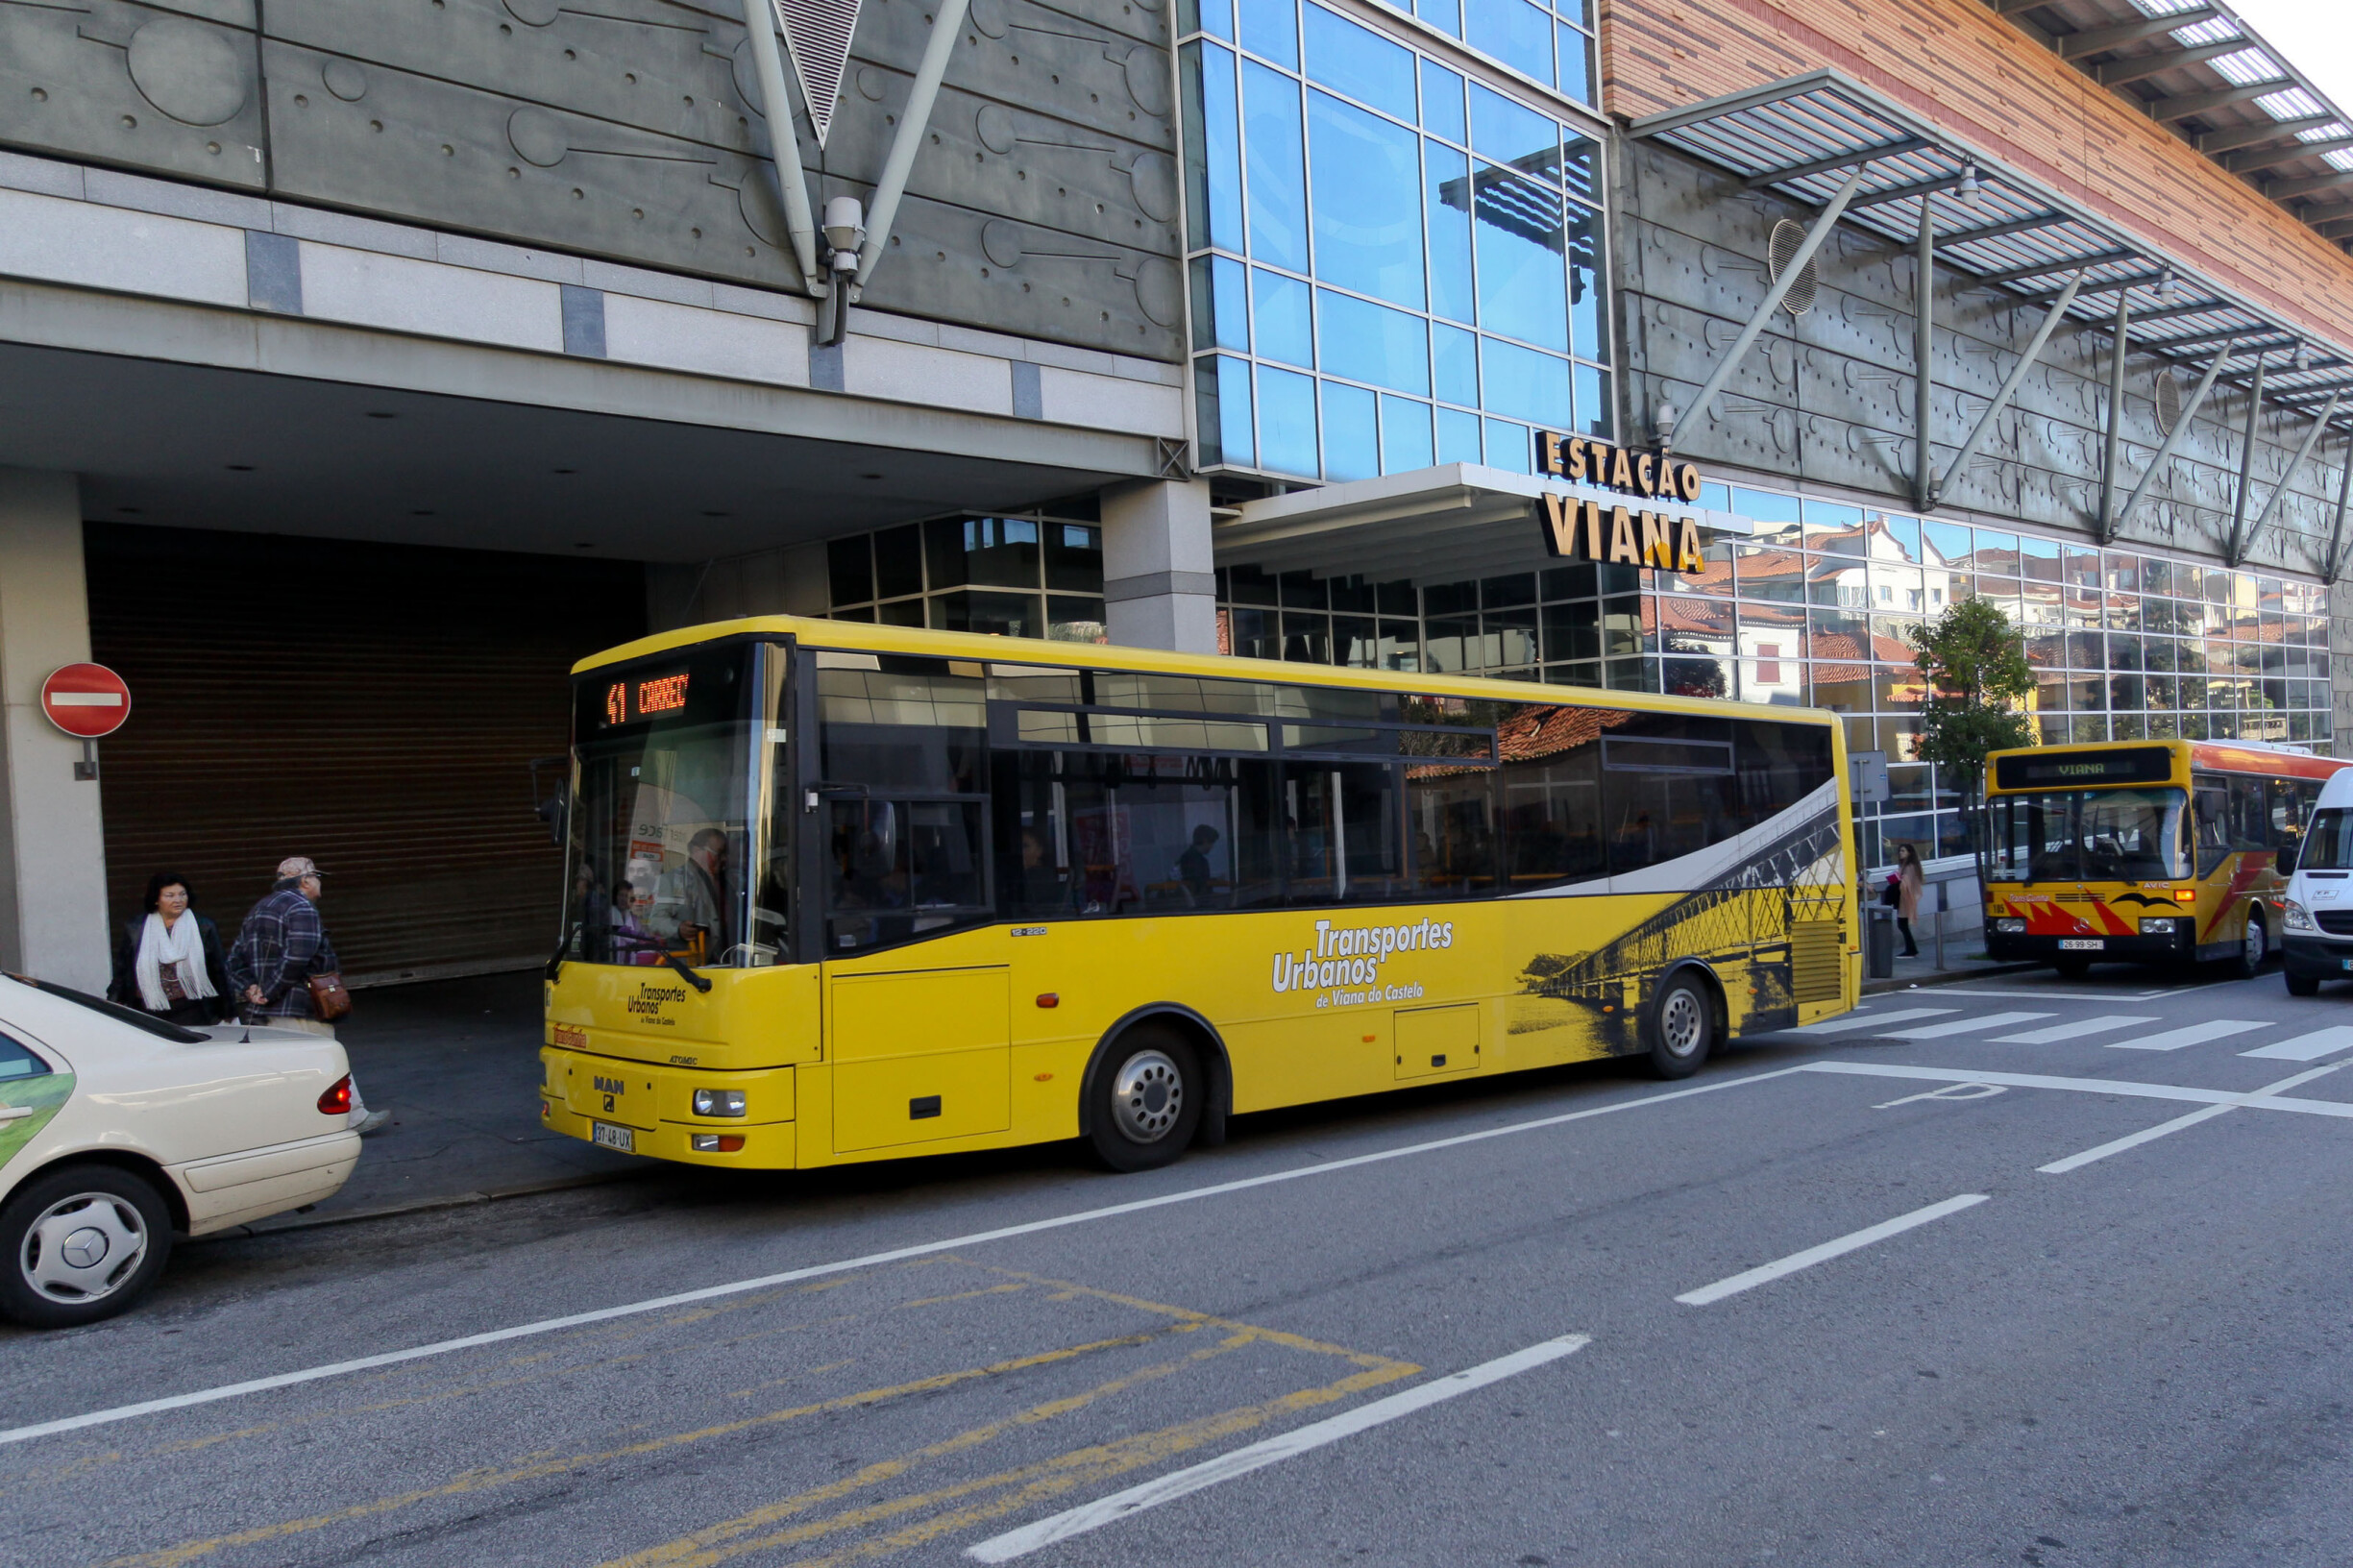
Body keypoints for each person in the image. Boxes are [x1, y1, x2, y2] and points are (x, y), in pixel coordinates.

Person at [227, 856, 388, 1136]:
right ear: (304, 881)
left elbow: (233, 961)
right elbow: (297, 956)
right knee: (325, 1062)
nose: (319, 882)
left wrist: (250, 989)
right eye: (316, 877)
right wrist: (271, 990)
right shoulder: (302, 908)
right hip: (301, 1004)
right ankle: (349, 1119)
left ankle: (347, 1115)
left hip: (269, 1010)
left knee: (289, 1067)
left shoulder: (258, 909)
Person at [109, 871, 232, 1026]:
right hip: (147, 1007)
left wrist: (228, 1010)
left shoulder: (203, 926)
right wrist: (115, 1001)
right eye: (170, 895)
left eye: (182, 894)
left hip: (191, 1007)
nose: (178, 900)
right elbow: (123, 969)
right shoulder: (136, 927)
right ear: (156, 899)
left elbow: (220, 968)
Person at [652, 828, 731, 958]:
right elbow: (656, 921)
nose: (724, 859)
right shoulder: (672, 880)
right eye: (718, 853)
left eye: (725, 854)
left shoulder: (724, 881)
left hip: (720, 961)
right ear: (696, 850)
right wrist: (678, 929)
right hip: (689, 965)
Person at [1174, 824, 1220, 904]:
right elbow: (1197, 882)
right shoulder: (1193, 859)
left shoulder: (1188, 856)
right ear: (1205, 840)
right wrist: (1214, 881)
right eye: (1211, 842)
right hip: (1198, 904)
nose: (1212, 847)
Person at [1894, 843, 1925, 959]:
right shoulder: (1907, 866)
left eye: (1903, 851)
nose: (1900, 853)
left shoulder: (1909, 867)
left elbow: (1906, 884)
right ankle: (1911, 949)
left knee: (1902, 924)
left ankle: (1911, 949)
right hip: (1906, 898)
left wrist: (1898, 879)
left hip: (1907, 898)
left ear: (1909, 853)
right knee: (1903, 924)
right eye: (1900, 851)